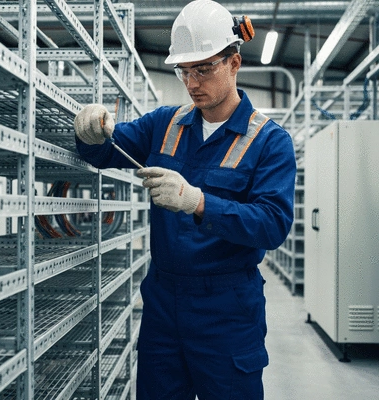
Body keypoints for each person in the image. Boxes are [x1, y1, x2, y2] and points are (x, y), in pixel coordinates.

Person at [74, 1, 296, 398]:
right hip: (164, 301)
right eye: (184, 71)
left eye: (204, 68)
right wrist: (89, 129)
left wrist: (198, 202)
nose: (192, 83)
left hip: (227, 309)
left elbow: (272, 224)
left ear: (234, 63)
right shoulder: (164, 123)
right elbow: (104, 150)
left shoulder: (270, 142)